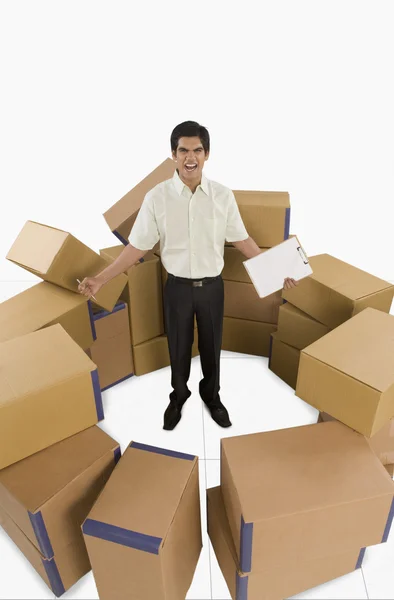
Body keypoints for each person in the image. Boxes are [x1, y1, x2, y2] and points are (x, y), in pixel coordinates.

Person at [78, 121, 298, 431]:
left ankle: (212, 396)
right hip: (177, 289)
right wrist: (102, 278)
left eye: (197, 150)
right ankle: (178, 397)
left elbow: (242, 240)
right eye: (183, 150)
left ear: (207, 154)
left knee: (211, 346)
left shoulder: (222, 196)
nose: (190, 157)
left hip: (212, 288)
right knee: (178, 348)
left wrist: (277, 268)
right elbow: (137, 247)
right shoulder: (157, 197)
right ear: (173, 155)